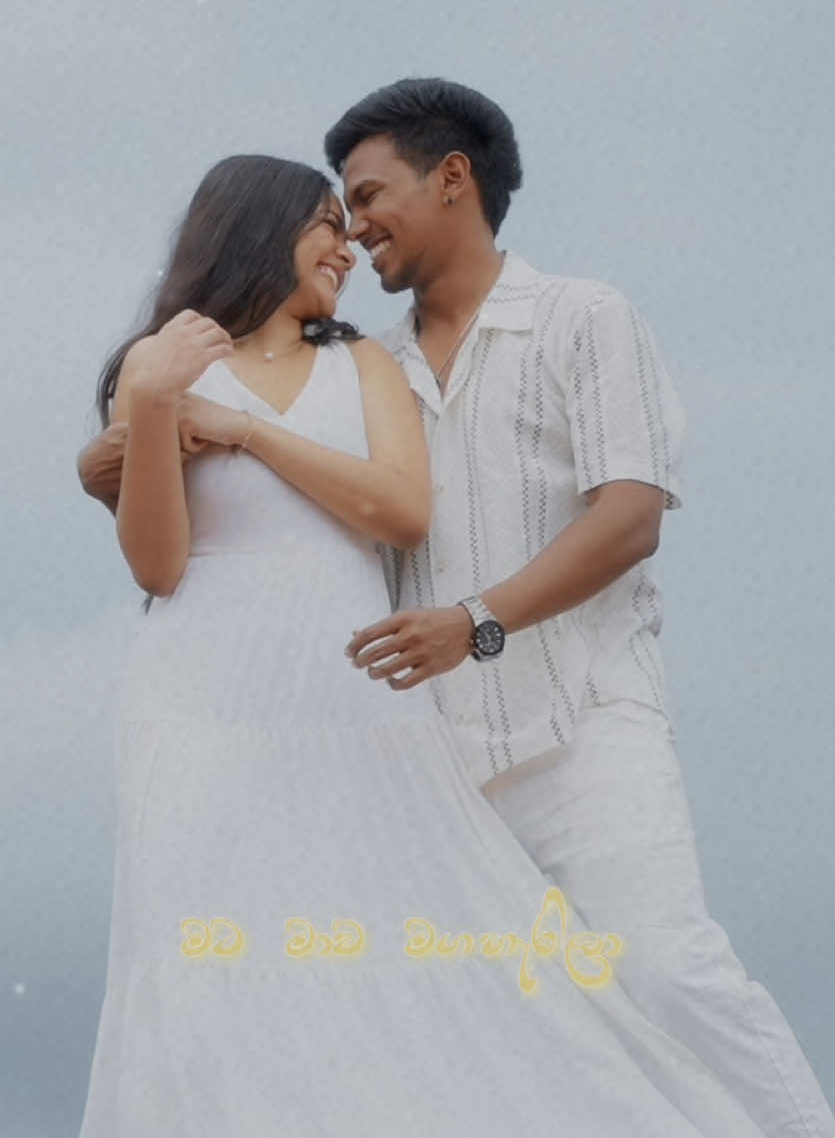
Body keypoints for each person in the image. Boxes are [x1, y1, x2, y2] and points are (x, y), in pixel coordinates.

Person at [75, 151, 766, 1136]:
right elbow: (157, 565)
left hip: (349, 692)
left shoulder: (362, 363)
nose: (346, 246)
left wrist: (247, 430)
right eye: (327, 223)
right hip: (198, 700)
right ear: (258, 228)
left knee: (406, 945)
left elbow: (401, 510)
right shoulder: (161, 367)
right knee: (205, 956)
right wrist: (149, 402)